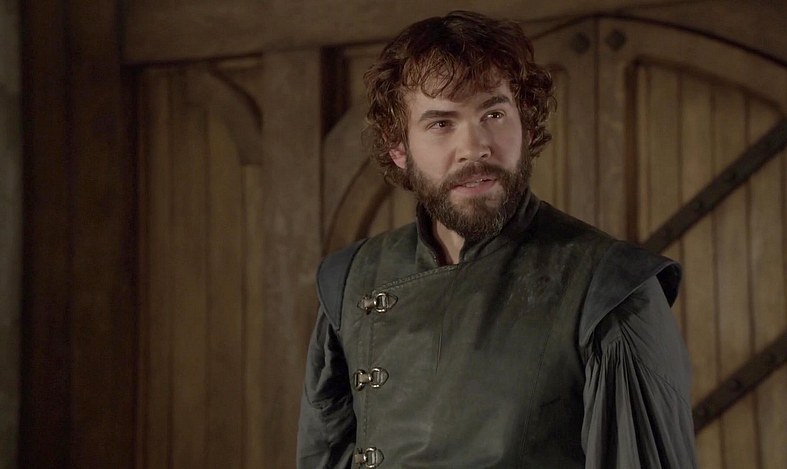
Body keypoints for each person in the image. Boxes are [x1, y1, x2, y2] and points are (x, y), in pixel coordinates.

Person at [298, 10, 697, 469]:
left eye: (493, 113)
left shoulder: (611, 289)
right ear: (399, 148)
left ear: (525, 125)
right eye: (441, 124)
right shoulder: (351, 281)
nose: (475, 147)